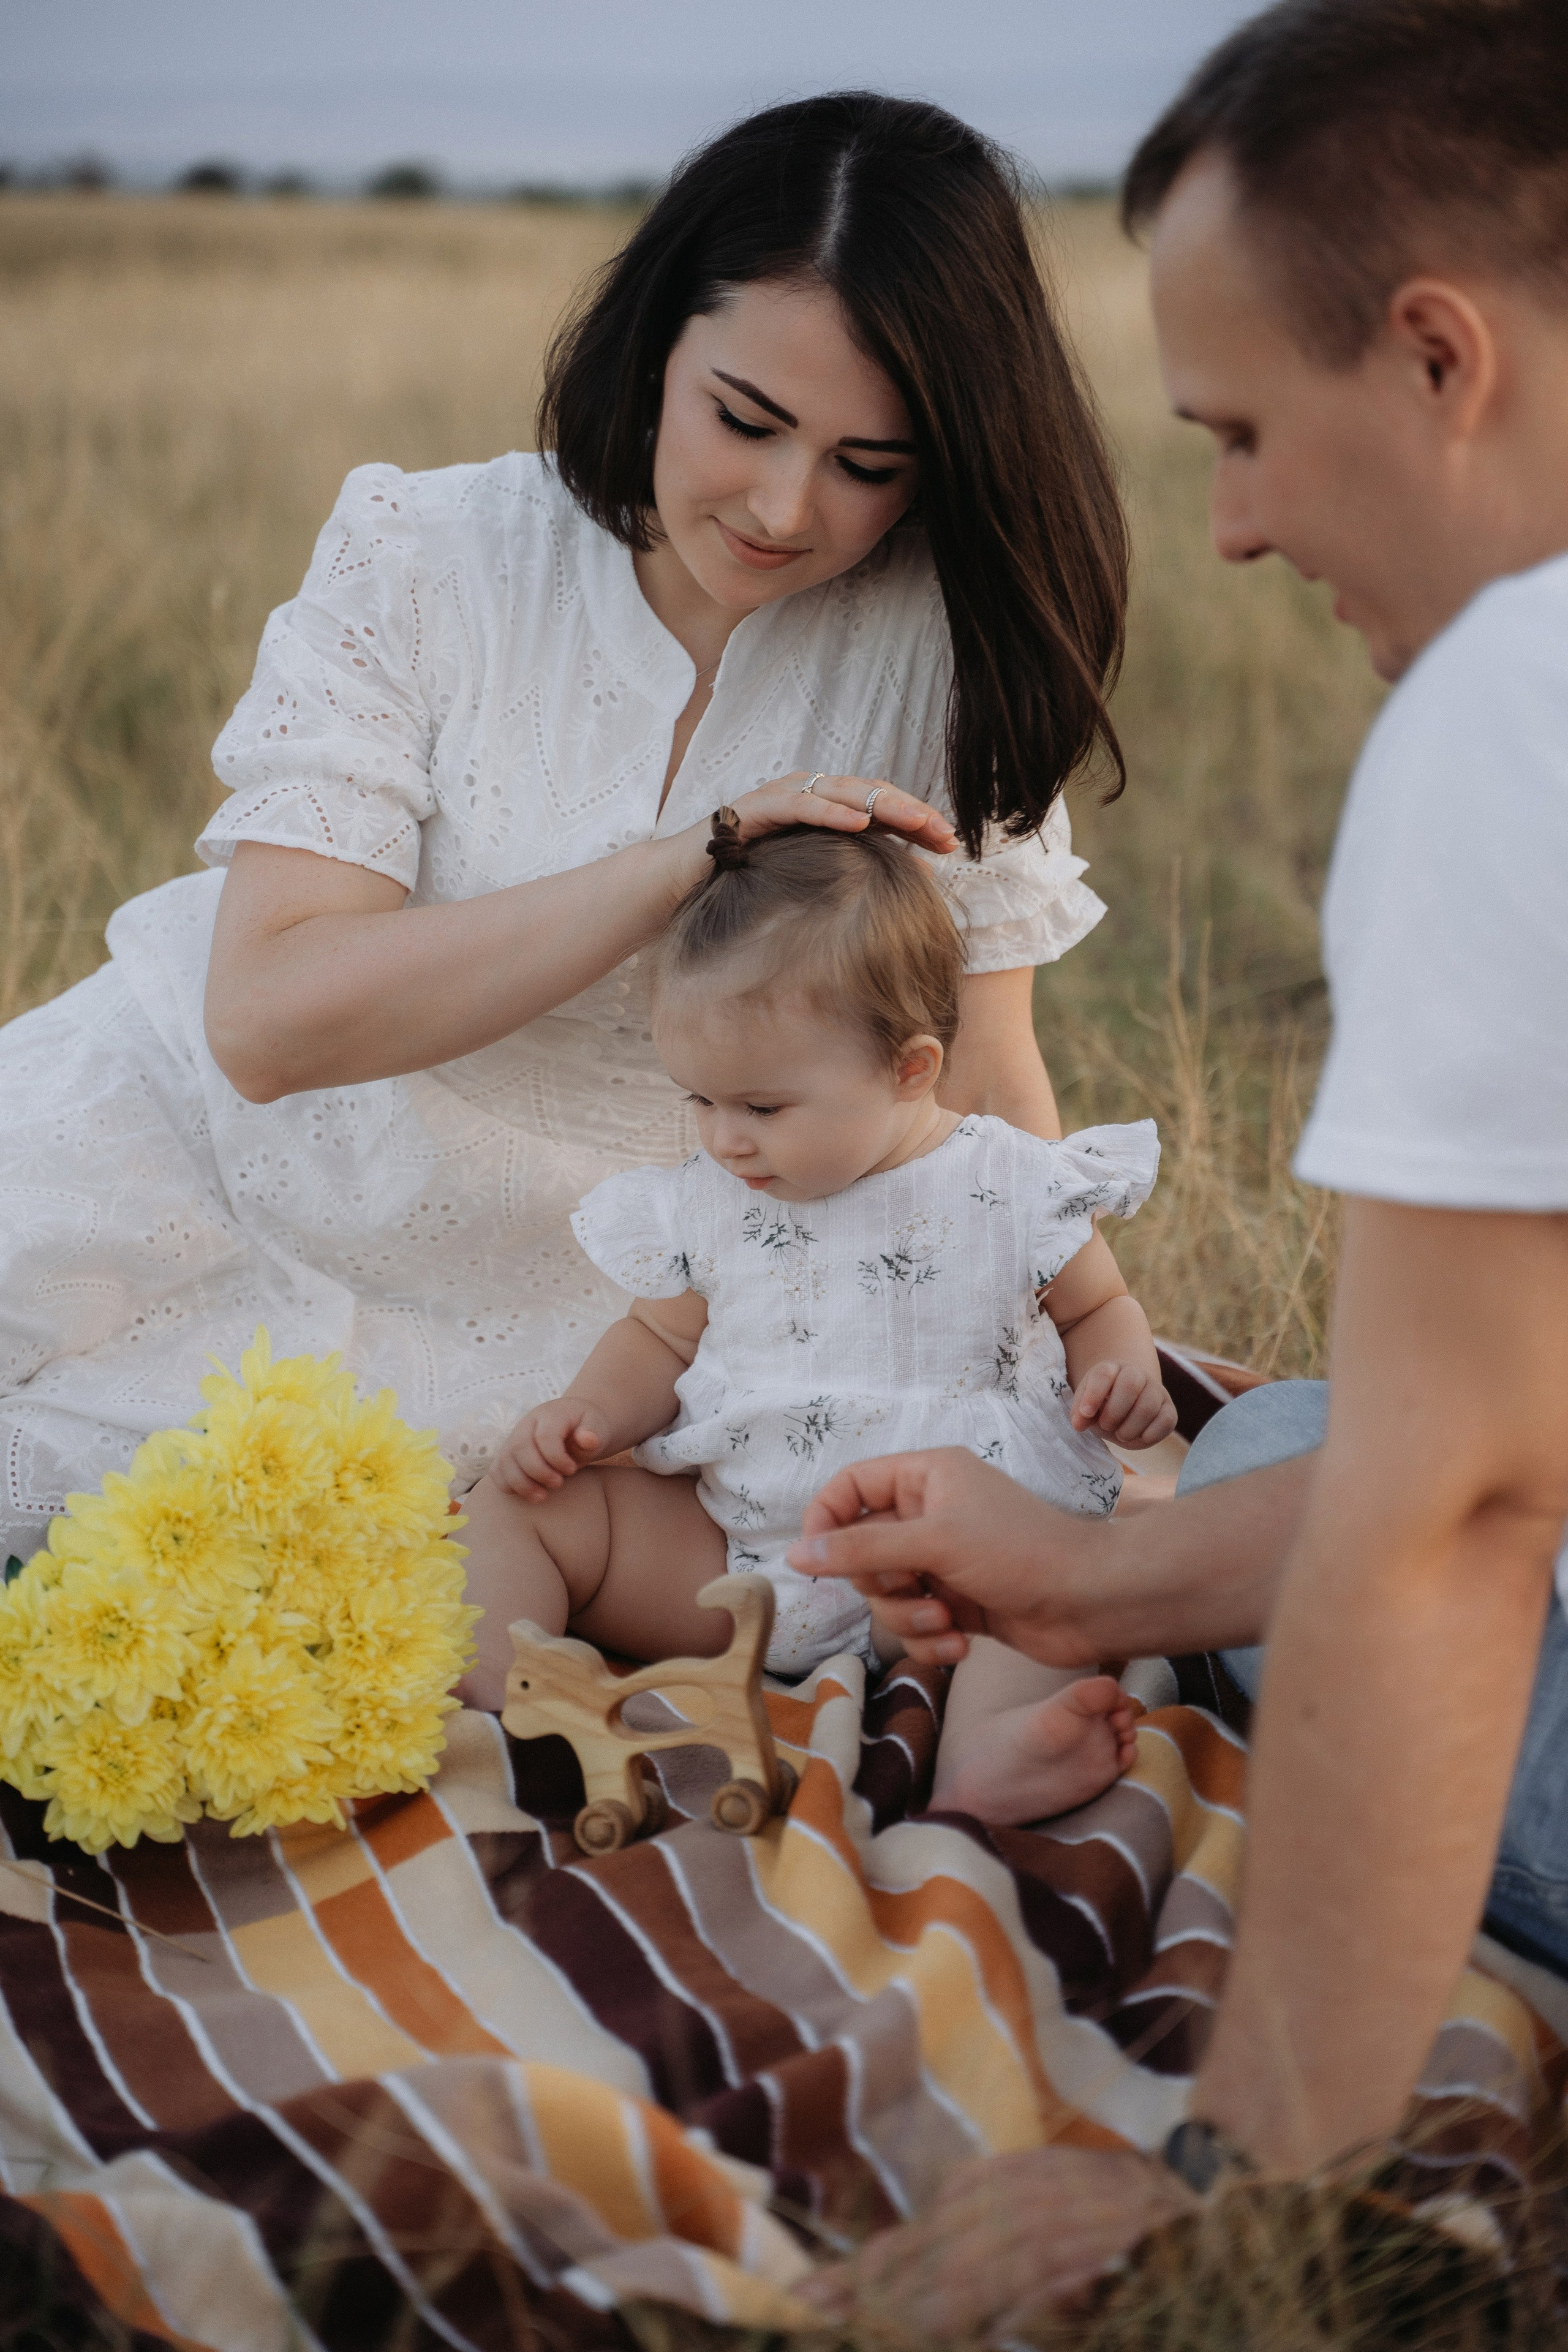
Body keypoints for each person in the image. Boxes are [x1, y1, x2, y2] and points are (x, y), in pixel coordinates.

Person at [785, 0, 1568, 2330]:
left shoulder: (1513, 708)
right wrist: (1085, 1579)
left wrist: (1243, 2184)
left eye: (1242, 434)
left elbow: (1469, 1515)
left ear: (1438, 355)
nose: (1225, 528)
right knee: (1305, 1441)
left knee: (1358, 1489)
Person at [0, 94, 1129, 1570]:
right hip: (202, 1140)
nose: (786, 508)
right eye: (745, 419)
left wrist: (1041, 1358)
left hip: (585, 1274)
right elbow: (265, 1025)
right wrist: (687, 859)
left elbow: (975, 1068)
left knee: (248, 1565)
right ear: (656, 338)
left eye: (871, 465)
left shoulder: (949, 651)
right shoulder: (426, 549)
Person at [459, 820, 1176, 1821]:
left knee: (1053, 1592)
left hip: (956, 1561)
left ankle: (993, 1751)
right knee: (519, 1505)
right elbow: (660, 1340)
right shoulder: (713, 1198)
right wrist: (586, 1416)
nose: (723, 1139)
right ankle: (508, 1711)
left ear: (911, 1069)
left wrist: (1122, 1372)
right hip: (739, 1559)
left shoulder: (1009, 1182)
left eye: (761, 1107)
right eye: (700, 1100)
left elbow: (1098, 1303)